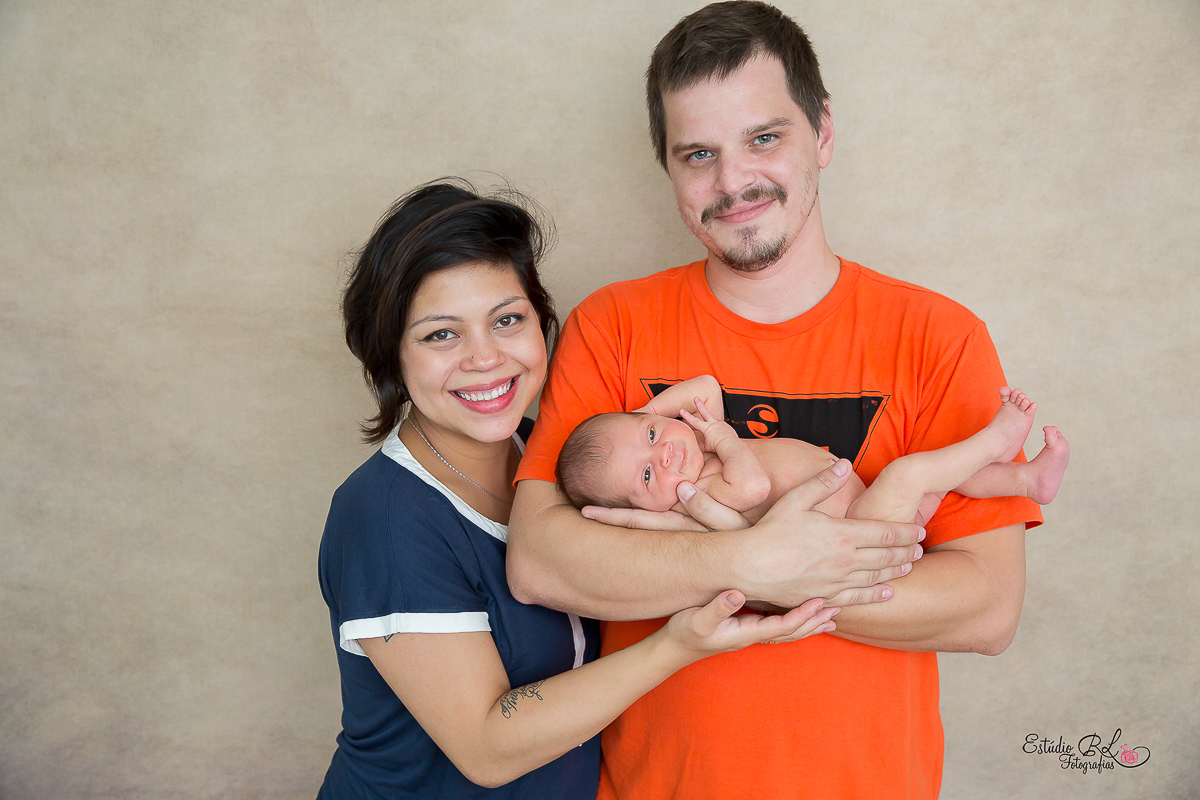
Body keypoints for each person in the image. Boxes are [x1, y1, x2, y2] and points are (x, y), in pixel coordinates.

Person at [506, 3, 1045, 798]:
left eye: (764, 138)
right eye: (698, 154)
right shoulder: (613, 325)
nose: (734, 183)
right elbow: (542, 561)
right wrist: (748, 560)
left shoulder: (939, 336)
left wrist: (761, 571)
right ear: (668, 167)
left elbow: (985, 608)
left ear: (821, 132)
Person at [316, 179, 837, 799]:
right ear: (392, 356)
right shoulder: (384, 515)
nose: (486, 358)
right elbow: (486, 747)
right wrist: (677, 645)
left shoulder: (565, 464)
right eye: (441, 334)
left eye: (507, 320)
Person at [556, 375, 1069, 526]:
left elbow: (706, 387)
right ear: (643, 509)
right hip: (862, 528)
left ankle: (1026, 482)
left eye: (652, 438)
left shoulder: (692, 446)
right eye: (646, 477)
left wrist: (650, 418)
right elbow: (753, 486)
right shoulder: (701, 491)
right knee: (910, 475)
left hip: (863, 502)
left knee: (933, 474)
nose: (664, 457)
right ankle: (995, 441)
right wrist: (723, 438)